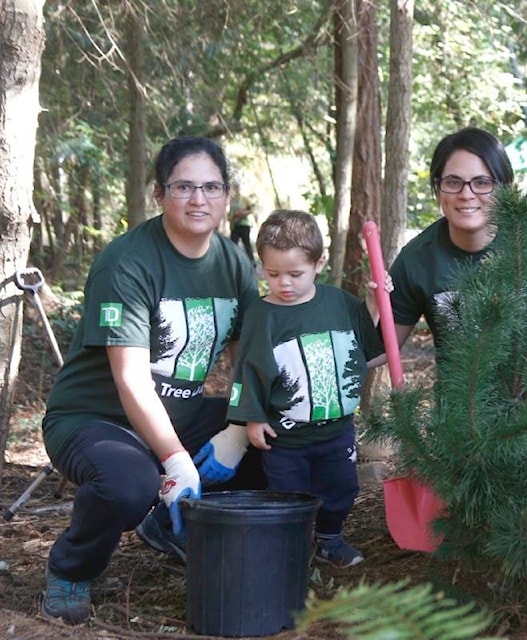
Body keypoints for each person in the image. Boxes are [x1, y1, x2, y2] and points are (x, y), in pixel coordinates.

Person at [40, 136, 263, 624]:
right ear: (160, 195)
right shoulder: (128, 262)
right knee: (127, 483)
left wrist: (236, 428)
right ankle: (70, 568)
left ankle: (169, 525)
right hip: (98, 420)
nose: (199, 199)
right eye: (184, 187)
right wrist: (176, 458)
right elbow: (131, 379)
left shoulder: (233, 262)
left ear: (227, 196)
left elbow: (249, 357)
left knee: (272, 438)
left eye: (211, 187)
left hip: (179, 415)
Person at [227, 210, 386, 568]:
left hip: (336, 429)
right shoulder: (262, 315)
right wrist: (251, 418)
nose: (284, 283)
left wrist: (375, 304)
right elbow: (248, 368)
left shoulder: (338, 302)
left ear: (319, 263)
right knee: (287, 493)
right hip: (286, 436)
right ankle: (289, 547)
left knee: (341, 487)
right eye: (273, 274)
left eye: (295, 274)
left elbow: (363, 341)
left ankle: (330, 538)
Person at [387, 127, 527, 353]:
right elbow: (382, 348)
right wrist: (371, 306)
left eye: (482, 182)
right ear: (438, 187)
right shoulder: (416, 260)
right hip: (466, 388)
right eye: (453, 182)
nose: (466, 194)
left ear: (505, 188)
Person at [229, 182, 256, 262]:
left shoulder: (245, 199)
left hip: (244, 225)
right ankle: (234, 263)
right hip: (234, 225)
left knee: (246, 244)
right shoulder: (232, 200)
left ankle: (252, 261)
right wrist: (230, 217)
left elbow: (252, 209)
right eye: (234, 188)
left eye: (237, 187)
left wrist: (242, 213)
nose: (235, 189)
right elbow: (231, 212)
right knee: (233, 244)